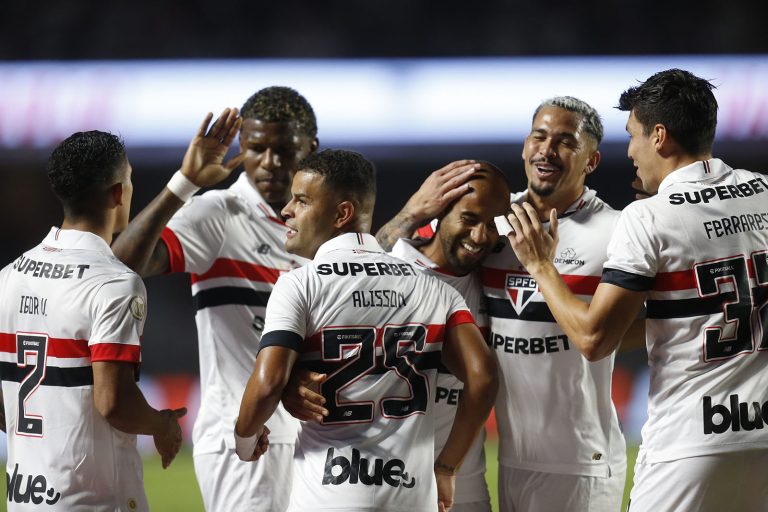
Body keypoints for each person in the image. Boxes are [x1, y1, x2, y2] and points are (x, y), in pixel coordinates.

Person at [503, 69, 768, 511]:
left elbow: (593, 338)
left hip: (690, 446)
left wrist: (539, 265)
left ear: (659, 136)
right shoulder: (762, 191)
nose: (630, 151)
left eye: (633, 135)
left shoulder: (647, 217)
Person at [377, 97, 636, 511]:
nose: (547, 149)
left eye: (566, 141)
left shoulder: (617, 230)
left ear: (591, 161)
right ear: (524, 146)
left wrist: (542, 268)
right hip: (510, 457)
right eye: (540, 136)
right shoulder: (490, 216)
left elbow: (631, 326)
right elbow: (378, 266)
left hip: (580, 462)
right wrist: (410, 212)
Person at [234, 149, 498, 512]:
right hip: (410, 495)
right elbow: (484, 377)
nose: (286, 210)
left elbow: (266, 384)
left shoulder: (300, 284)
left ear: (342, 213)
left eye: (301, 200)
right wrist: (447, 466)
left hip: (327, 497)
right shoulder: (435, 290)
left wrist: (245, 441)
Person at [0, 111, 237, 509]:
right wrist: (161, 424)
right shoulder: (113, 283)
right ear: (118, 193)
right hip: (91, 499)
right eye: (128, 179)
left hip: (24, 495)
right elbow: (114, 402)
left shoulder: (9, 276)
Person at [111, 86, 319, 511]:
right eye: (257, 148)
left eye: (285, 149)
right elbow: (120, 264)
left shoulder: (324, 226)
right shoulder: (221, 214)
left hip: (318, 436)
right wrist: (183, 183)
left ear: (311, 149)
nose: (271, 163)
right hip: (243, 439)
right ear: (242, 147)